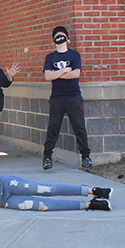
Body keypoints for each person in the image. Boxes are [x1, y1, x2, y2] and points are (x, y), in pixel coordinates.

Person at [42, 26, 92, 171]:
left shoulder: (75, 55)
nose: (60, 39)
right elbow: (47, 76)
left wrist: (56, 74)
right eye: (57, 37)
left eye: (62, 36)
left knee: (79, 127)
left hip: (73, 96)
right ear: (53, 42)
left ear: (68, 40)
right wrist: (64, 70)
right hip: (57, 98)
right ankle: (47, 158)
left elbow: (76, 74)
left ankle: (86, 157)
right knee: (53, 128)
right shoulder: (50, 57)